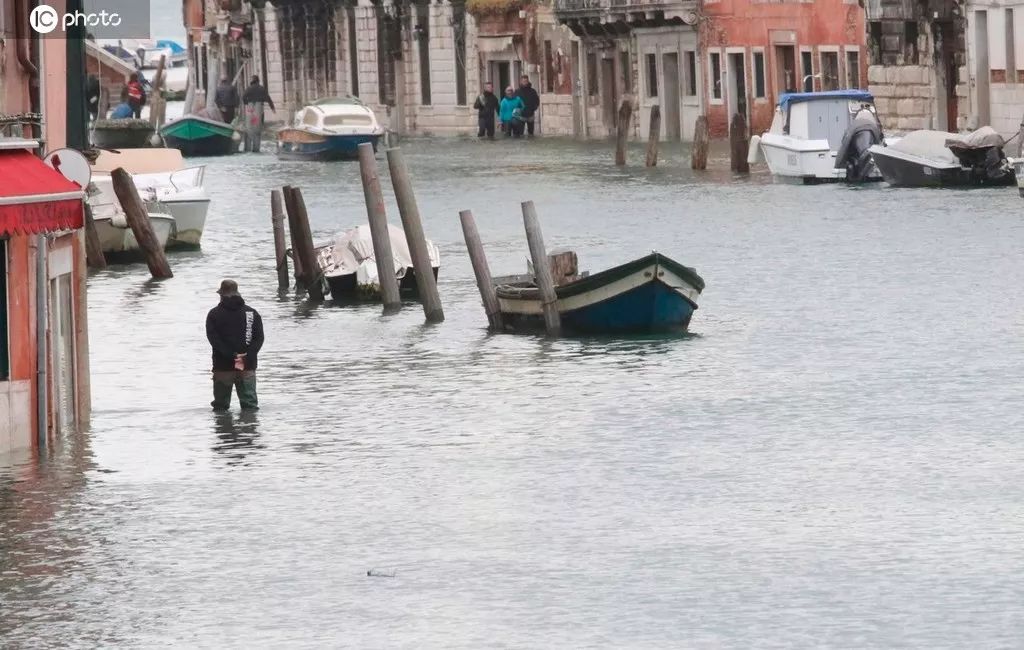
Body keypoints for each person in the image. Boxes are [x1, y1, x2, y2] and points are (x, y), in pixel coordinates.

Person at [206, 279, 264, 411]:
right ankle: (249, 430)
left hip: (223, 366)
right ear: (238, 293)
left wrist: (231, 355)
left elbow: (214, 340)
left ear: (221, 295)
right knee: (250, 406)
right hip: (247, 365)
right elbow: (259, 338)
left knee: (220, 407)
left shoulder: (214, 314)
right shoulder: (252, 313)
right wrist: (247, 356)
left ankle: (223, 430)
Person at [241, 75, 276, 153]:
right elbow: (268, 98)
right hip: (258, 108)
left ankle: (247, 148)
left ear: (252, 81)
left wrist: (246, 104)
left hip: (250, 108)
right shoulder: (261, 88)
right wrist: (272, 108)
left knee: (249, 128)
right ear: (258, 81)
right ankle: (256, 149)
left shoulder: (249, 88)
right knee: (256, 128)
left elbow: (243, 97)